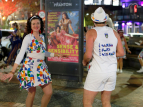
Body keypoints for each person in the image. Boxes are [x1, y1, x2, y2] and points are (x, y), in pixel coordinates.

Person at [0, 15, 68, 107]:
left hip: (41, 67)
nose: (36, 25)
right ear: (30, 25)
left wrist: (57, 55)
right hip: (30, 67)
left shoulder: (42, 37)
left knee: (48, 92)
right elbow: (20, 54)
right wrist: (12, 71)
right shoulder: (28, 37)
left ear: (41, 24)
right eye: (33, 24)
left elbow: (43, 52)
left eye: (38, 23)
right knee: (31, 94)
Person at [82, 7, 124, 107]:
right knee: (106, 102)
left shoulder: (91, 32)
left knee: (87, 103)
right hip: (111, 72)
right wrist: (108, 54)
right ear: (105, 20)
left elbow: (88, 55)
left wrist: (84, 61)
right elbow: (121, 53)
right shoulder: (114, 32)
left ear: (93, 20)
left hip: (97, 71)